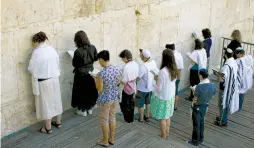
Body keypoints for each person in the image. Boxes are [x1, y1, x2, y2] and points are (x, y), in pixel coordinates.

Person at [28, 31, 63, 134]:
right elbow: (57, 63)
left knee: (46, 104)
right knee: (56, 100)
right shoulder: (52, 49)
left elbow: (32, 68)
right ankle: (58, 122)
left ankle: (48, 128)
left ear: (36, 41)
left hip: (44, 82)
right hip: (54, 79)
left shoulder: (36, 52)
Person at [94, 50, 122, 147]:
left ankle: (105, 141)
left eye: (99, 60)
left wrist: (96, 79)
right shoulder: (116, 69)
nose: (99, 62)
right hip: (114, 96)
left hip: (105, 99)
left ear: (102, 59)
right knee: (112, 117)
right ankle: (111, 139)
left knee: (104, 119)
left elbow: (99, 89)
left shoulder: (101, 74)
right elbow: (119, 82)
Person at [150, 49, 178, 139]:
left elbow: (158, 89)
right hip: (170, 97)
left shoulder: (163, 71)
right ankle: (167, 134)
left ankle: (163, 135)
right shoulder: (174, 69)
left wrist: (155, 80)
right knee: (167, 117)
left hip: (163, 97)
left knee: (162, 118)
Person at [71, 30, 98, 116]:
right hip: (91, 71)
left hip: (81, 74)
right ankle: (89, 109)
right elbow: (96, 58)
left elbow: (74, 64)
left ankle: (82, 111)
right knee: (90, 90)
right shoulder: (93, 47)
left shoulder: (77, 51)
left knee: (81, 92)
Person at [187, 69, 216, 146]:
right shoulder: (212, 85)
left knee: (196, 124)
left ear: (201, 76)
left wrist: (193, 90)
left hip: (197, 107)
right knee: (202, 122)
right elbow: (212, 96)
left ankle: (195, 141)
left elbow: (195, 99)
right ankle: (201, 139)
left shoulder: (199, 86)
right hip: (205, 106)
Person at [214, 48, 239, 126]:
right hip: (232, 86)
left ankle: (223, 121)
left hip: (225, 88)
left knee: (222, 103)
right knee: (226, 103)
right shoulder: (234, 62)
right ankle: (222, 117)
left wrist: (216, 73)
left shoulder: (226, 66)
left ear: (225, 55)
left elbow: (222, 79)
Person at [136, 49, 159, 122]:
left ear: (143, 57)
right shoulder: (153, 62)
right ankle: (147, 116)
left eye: (141, 55)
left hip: (142, 88)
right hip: (150, 88)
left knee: (141, 104)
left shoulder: (143, 66)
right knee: (148, 103)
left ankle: (141, 119)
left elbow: (138, 77)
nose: (140, 56)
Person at [119, 49, 139, 123]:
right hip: (133, 86)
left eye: (122, 58)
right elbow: (136, 76)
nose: (122, 60)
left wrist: (118, 80)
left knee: (125, 105)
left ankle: (128, 119)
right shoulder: (135, 64)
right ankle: (131, 118)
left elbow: (124, 81)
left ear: (125, 58)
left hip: (127, 88)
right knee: (131, 103)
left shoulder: (126, 67)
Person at [165, 43, 184, 110]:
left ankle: (171, 106)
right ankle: (175, 106)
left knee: (172, 91)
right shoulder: (179, 54)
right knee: (176, 91)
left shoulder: (172, 56)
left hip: (173, 75)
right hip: (179, 74)